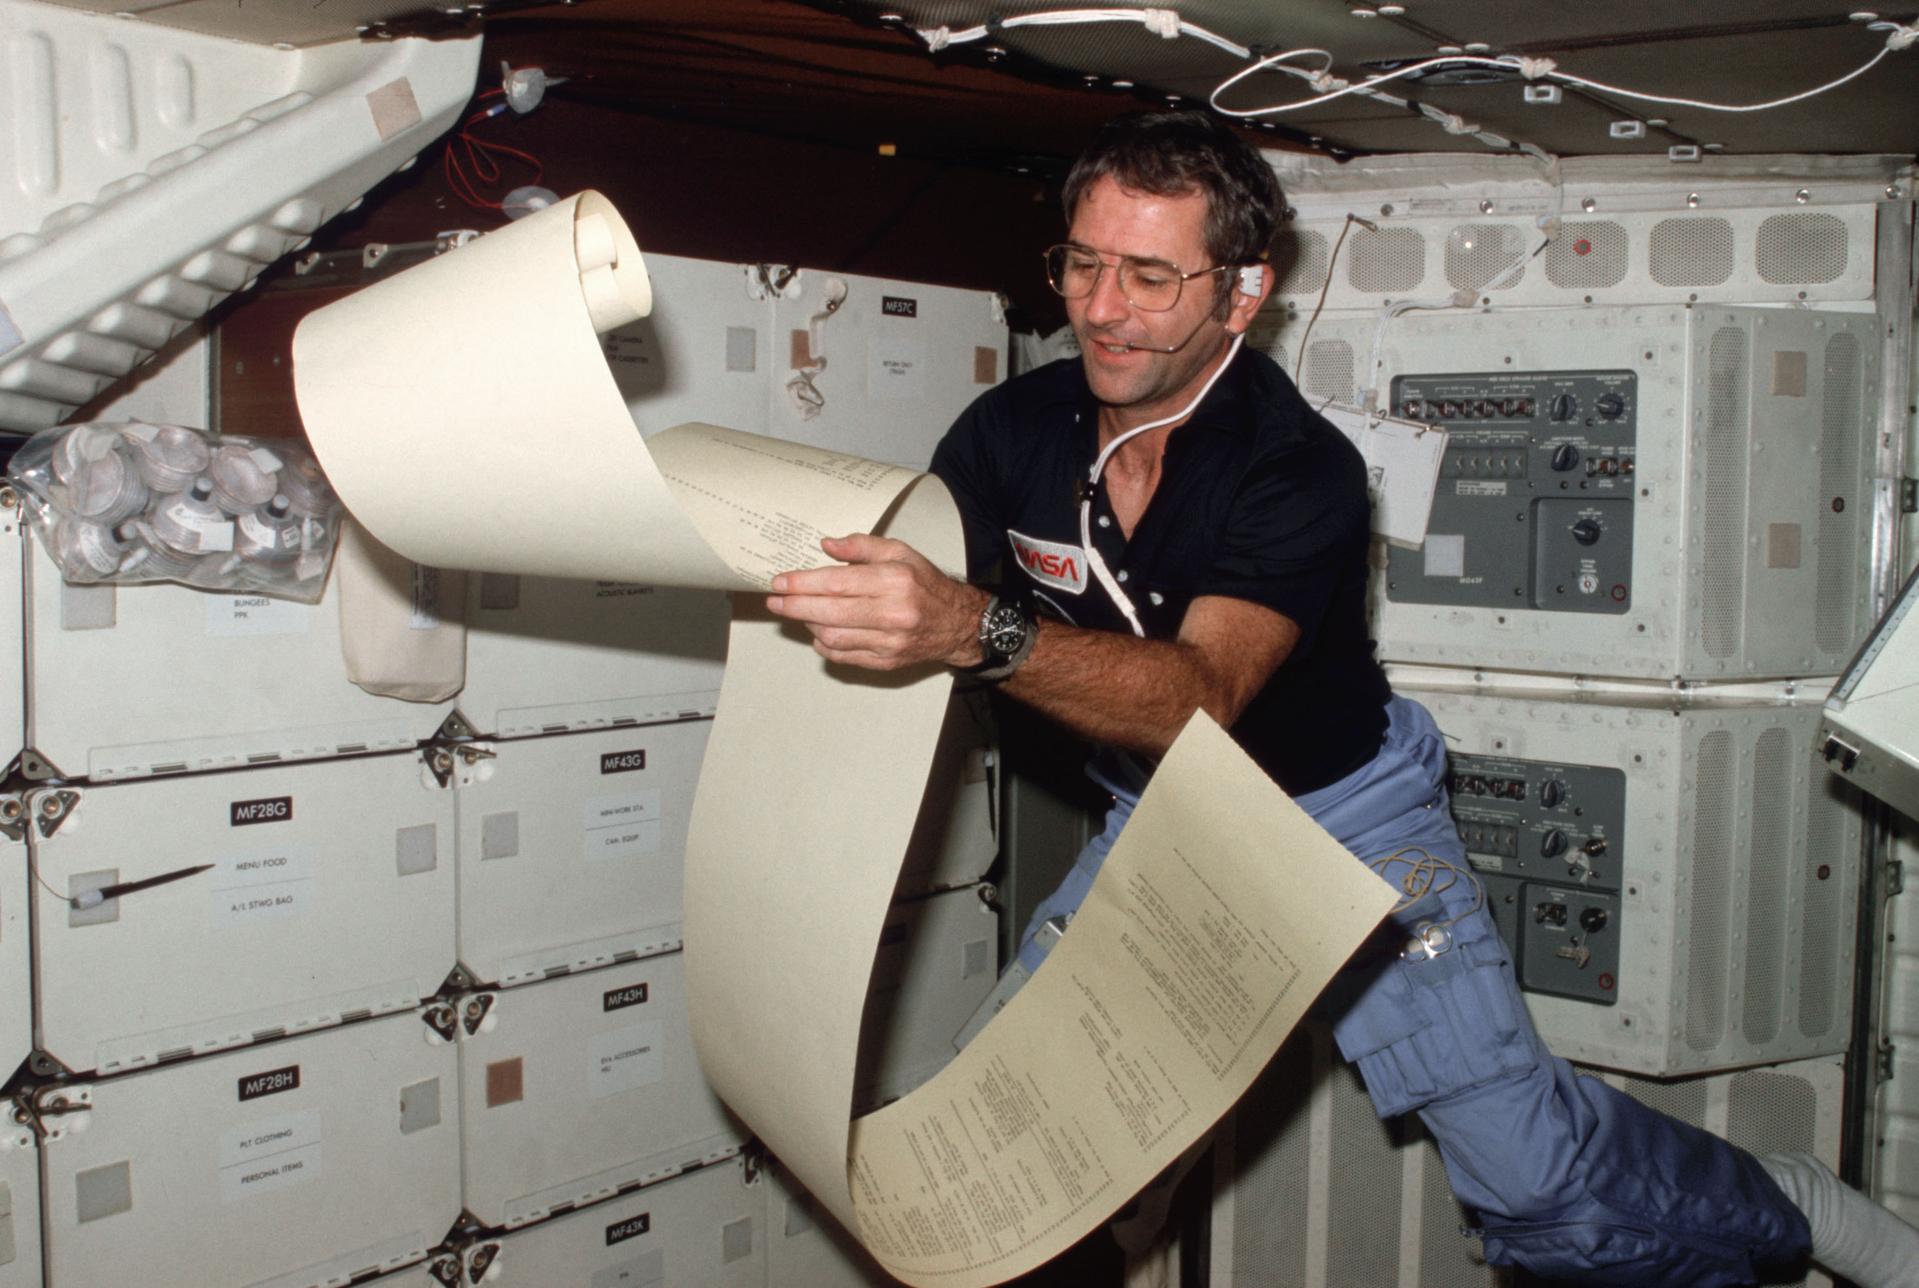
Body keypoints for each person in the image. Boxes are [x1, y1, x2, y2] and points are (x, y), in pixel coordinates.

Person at [765, 110, 1919, 1287]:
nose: (1102, 309)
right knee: (1006, 1155)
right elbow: (907, 573)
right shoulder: (1010, 430)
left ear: (1242, 291)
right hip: (1160, 824)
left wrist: (974, 629)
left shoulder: (1295, 463)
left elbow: (1197, 698)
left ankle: (1786, 1205)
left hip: (1346, 829)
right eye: (1082, 262)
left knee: (1538, 1191)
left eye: (1151, 276)